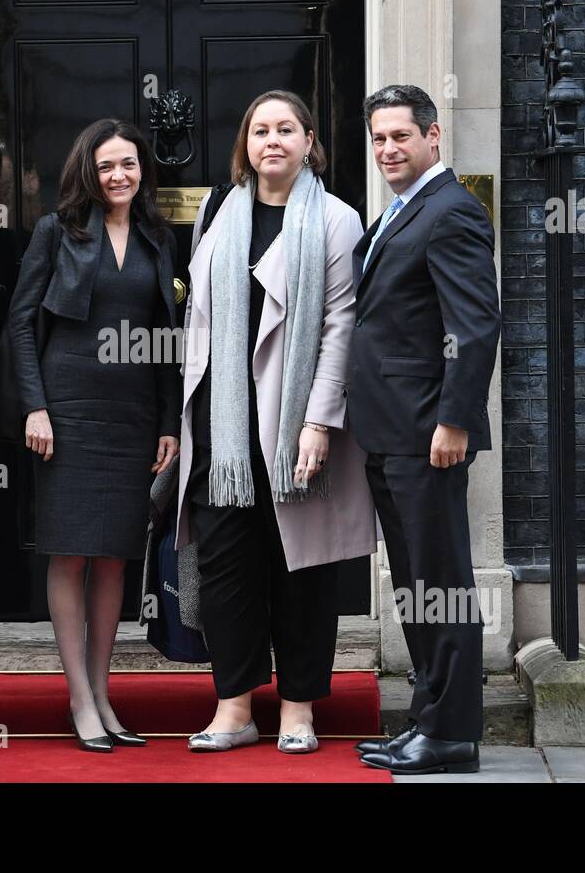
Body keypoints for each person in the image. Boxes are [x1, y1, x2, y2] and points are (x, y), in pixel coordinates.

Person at [174, 89, 376, 754]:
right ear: (246, 144)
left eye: (286, 129)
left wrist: (319, 421)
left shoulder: (338, 221)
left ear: (309, 141)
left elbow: (340, 327)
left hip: (295, 429)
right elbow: (200, 317)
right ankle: (233, 707)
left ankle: (296, 707)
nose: (272, 141)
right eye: (260, 129)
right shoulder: (216, 211)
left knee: (303, 573)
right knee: (227, 570)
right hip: (224, 430)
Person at [7, 119, 181, 753]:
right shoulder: (57, 232)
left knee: (114, 554)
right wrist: (34, 406)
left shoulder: (158, 237)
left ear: (143, 171)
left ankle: (105, 694)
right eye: (108, 166)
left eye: (129, 165)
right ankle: (78, 697)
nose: (119, 176)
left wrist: (169, 424)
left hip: (133, 416)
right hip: (67, 409)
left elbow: (169, 340)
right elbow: (21, 324)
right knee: (71, 550)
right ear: (88, 170)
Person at [349, 84, 500, 775]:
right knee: (414, 582)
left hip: (427, 432)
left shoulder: (451, 212)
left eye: (400, 137)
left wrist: (454, 421)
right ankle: (427, 720)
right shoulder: (402, 211)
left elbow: (474, 327)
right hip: (389, 431)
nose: (387, 149)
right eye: (379, 138)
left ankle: (451, 733)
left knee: (441, 580)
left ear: (433, 137)